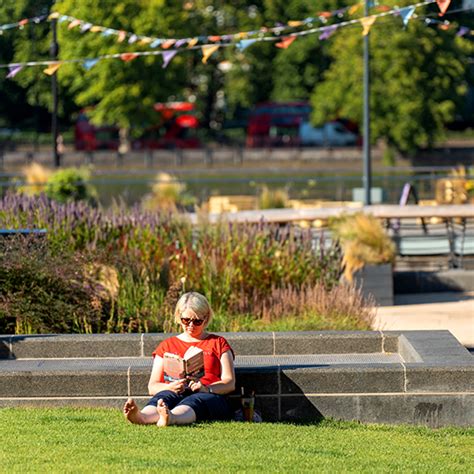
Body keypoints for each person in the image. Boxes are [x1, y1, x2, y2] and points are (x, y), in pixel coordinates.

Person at [123, 292, 236, 427]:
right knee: (164, 396)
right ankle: (141, 417)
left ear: (206, 318)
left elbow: (229, 383)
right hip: (175, 391)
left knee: (196, 400)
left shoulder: (218, 342)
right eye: (186, 320)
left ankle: (171, 417)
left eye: (197, 321)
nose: (191, 325)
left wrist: (207, 389)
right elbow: (152, 386)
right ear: (178, 317)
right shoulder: (167, 345)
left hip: (209, 396)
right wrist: (169, 387)